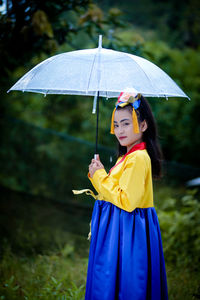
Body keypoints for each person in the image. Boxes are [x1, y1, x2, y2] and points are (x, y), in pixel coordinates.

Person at [74, 89, 169, 300]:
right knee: (110, 282)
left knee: (126, 286)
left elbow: (126, 201)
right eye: (116, 125)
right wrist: (97, 174)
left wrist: (99, 176)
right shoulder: (127, 157)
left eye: (126, 123)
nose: (120, 130)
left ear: (143, 125)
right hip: (118, 229)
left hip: (129, 232)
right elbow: (114, 191)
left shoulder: (138, 159)